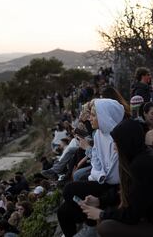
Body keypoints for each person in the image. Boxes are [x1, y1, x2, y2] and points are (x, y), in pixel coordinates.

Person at [79, 119, 153, 237]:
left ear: (127, 141)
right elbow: (128, 189)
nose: (114, 147)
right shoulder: (140, 156)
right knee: (107, 216)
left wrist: (101, 214)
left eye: (116, 142)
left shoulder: (144, 164)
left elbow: (132, 214)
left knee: (106, 227)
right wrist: (100, 200)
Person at [57, 99, 124, 237]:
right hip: (100, 180)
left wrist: (98, 174)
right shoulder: (99, 134)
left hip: (114, 187)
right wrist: (97, 174)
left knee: (69, 189)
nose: (89, 118)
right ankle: (86, 222)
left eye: (93, 115)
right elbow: (97, 163)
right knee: (62, 212)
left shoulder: (116, 137)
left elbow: (112, 177)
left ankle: (91, 224)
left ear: (104, 116)